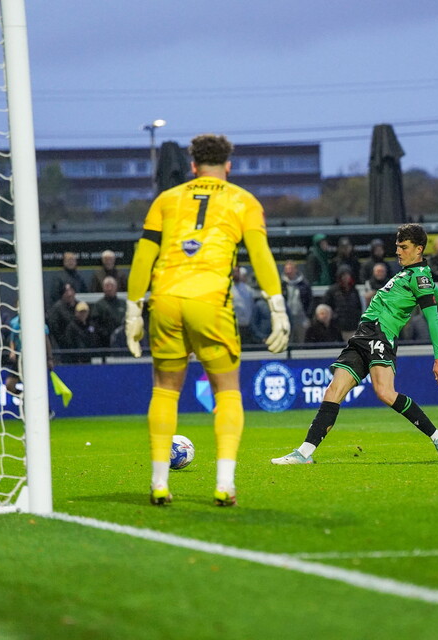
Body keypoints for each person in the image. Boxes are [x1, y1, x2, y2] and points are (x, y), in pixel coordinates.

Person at [125, 133, 290, 507]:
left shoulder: (166, 200)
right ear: (228, 166)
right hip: (210, 301)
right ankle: (224, 484)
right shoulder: (243, 200)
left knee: (165, 389)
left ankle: (159, 484)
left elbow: (142, 256)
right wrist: (277, 306)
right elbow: (261, 256)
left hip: (165, 299)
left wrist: (133, 308)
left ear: (192, 165)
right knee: (227, 390)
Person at [270, 223, 438, 465]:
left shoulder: (419, 277)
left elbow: (432, 316)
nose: (398, 251)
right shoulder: (409, 274)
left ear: (419, 249)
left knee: (384, 392)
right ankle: (304, 453)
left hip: (381, 335)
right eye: (397, 246)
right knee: (333, 391)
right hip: (362, 335)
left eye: (404, 247)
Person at [322, 265, 363, 341]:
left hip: (352, 327)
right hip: (337, 328)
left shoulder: (354, 291)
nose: (346, 278)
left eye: (347, 275)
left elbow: (358, 307)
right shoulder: (332, 291)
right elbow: (326, 307)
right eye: (343, 275)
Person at [281, 259, 313, 345]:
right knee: (287, 341)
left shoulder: (304, 284)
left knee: (301, 341)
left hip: (301, 318)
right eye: (286, 269)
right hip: (286, 318)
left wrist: (308, 316)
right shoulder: (281, 284)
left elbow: (310, 301)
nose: (288, 271)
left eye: (290, 269)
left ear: (295, 270)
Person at [91, 276, 126, 348]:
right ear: (103, 288)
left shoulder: (124, 304)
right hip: (105, 342)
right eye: (107, 286)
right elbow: (95, 324)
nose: (109, 288)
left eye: (112, 286)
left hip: (123, 341)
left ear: (116, 287)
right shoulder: (98, 305)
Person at [230, 266, 257, 344]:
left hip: (247, 326)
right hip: (234, 327)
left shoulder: (247, 289)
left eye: (237, 272)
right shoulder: (228, 288)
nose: (236, 274)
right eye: (234, 272)